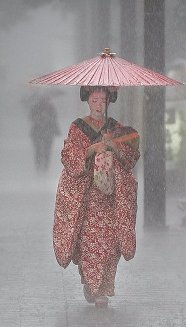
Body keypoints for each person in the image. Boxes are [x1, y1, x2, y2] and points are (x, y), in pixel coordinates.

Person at [52, 86, 140, 308]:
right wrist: (92, 149)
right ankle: (93, 286)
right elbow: (69, 156)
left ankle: (103, 287)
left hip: (111, 198)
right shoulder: (78, 127)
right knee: (91, 242)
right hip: (88, 197)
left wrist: (114, 147)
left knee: (109, 244)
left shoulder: (118, 129)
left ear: (109, 101)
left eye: (103, 99)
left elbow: (130, 159)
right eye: (95, 99)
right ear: (88, 101)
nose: (99, 104)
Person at [29, 96, 60, 172]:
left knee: (41, 150)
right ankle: (43, 166)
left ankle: (41, 166)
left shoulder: (37, 107)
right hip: (46, 132)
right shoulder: (49, 107)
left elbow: (31, 117)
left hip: (42, 132)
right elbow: (54, 118)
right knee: (43, 150)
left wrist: (43, 118)